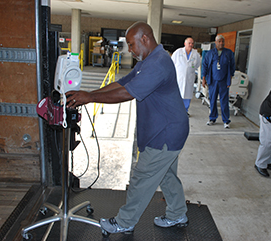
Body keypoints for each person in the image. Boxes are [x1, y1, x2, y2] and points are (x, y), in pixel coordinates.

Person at [66, 22, 189, 234]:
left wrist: (91, 97)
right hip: (169, 128)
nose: (129, 50)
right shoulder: (149, 60)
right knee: (166, 175)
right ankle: (177, 214)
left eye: (131, 45)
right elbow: (123, 83)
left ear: (144, 39)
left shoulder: (158, 63)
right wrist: (90, 93)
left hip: (166, 133)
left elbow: (127, 93)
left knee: (141, 177)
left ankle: (125, 222)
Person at [201, 35, 235, 129]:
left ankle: (226, 121)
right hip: (213, 80)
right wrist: (204, 78)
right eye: (219, 41)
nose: (221, 43)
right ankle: (212, 118)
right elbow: (205, 65)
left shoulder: (229, 53)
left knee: (224, 101)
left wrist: (230, 78)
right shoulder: (210, 53)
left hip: (224, 81)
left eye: (222, 42)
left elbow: (232, 66)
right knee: (212, 100)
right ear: (215, 42)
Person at [171, 37, 201, 115]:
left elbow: (197, 64)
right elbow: (171, 63)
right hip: (179, 78)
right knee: (178, 95)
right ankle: (176, 111)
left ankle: (185, 111)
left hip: (189, 78)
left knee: (187, 96)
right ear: (185, 44)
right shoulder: (178, 52)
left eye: (192, 43)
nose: (191, 45)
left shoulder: (195, 54)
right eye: (189, 43)